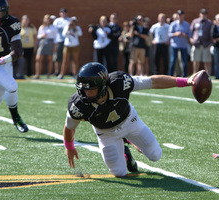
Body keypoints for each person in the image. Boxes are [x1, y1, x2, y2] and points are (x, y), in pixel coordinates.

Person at [63, 62, 198, 177]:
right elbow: (69, 127)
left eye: (91, 89)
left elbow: (153, 81)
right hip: (106, 133)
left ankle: (128, 139)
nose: (87, 93)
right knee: (119, 173)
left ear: (103, 86)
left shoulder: (119, 83)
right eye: (84, 88)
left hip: (130, 121)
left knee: (155, 155)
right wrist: (69, 147)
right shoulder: (78, 105)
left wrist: (186, 81)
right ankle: (126, 153)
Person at [0, 0, 28, 132]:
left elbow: (18, 51)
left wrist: (2, 60)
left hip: (4, 63)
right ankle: (16, 118)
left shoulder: (12, 23)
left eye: (1, 12)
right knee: (12, 85)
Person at [168, 10, 191, 77]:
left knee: (184, 60)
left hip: (183, 45)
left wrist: (184, 35)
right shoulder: (173, 24)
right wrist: (176, 34)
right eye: (179, 15)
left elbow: (190, 35)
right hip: (175, 45)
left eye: (181, 15)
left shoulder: (187, 24)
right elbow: (169, 34)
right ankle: (171, 75)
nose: (180, 16)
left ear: (183, 16)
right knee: (173, 60)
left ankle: (184, 75)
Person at [190, 8, 213, 74]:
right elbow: (190, 32)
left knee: (207, 61)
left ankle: (208, 75)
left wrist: (210, 43)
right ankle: (194, 75)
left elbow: (211, 34)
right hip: (196, 44)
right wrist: (191, 40)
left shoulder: (209, 23)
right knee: (196, 60)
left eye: (205, 14)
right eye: (202, 14)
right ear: (200, 14)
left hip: (206, 44)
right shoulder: (195, 21)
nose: (203, 15)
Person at [34, 14, 57, 79]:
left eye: (48, 19)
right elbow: (38, 36)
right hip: (42, 42)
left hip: (50, 43)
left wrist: (55, 47)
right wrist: (42, 35)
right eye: (46, 19)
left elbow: (55, 37)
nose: (47, 20)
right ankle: (37, 74)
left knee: (50, 59)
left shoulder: (53, 27)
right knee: (38, 59)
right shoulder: (42, 27)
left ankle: (48, 75)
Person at [53, 8, 70, 76]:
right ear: (60, 13)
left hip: (67, 41)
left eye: (65, 12)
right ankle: (57, 71)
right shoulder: (57, 20)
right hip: (59, 40)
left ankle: (68, 71)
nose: (63, 14)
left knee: (67, 57)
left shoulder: (69, 20)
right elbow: (54, 29)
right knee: (58, 57)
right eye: (62, 12)